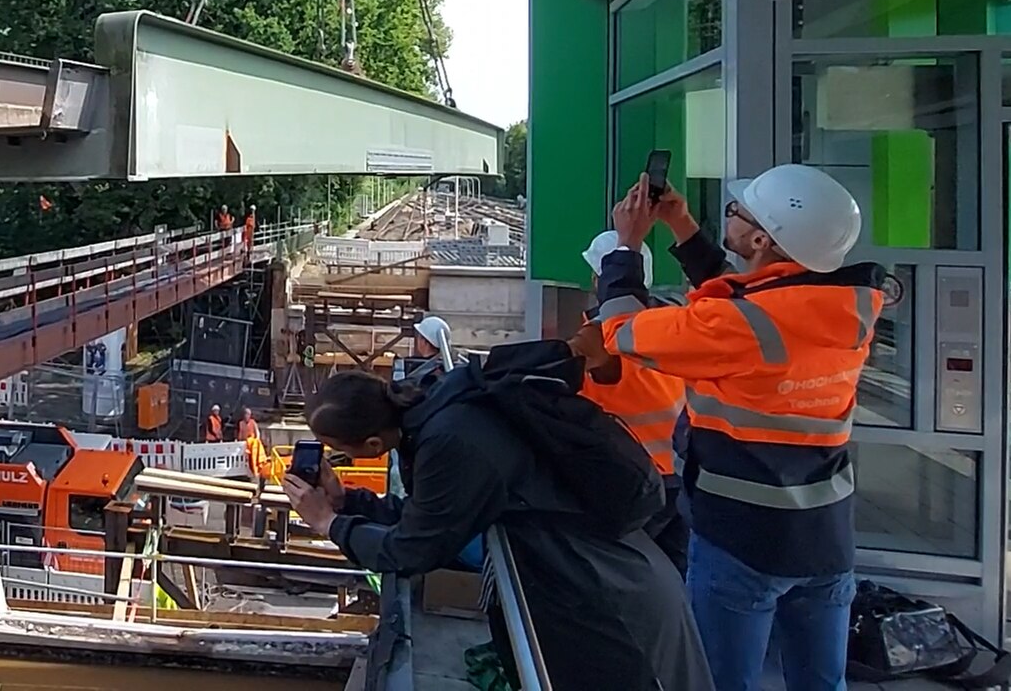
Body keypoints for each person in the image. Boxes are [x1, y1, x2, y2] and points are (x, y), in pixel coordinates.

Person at [578, 164, 881, 691]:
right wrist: (682, 226)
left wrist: (625, 248)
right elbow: (751, 301)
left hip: (744, 537)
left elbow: (621, 330)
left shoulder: (742, 327)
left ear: (763, 238)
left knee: (715, 681)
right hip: (825, 533)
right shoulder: (843, 308)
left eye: (738, 213)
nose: (730, 217)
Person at [285, 369, 712, 691]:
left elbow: (414, 550)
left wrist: (330, 524)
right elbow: (438, 516)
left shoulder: (450, 441)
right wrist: (349, 504)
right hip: (594, 575)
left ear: (373, 447)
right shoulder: (441, 411)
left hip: (609, 593)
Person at [576, 229, 690, 577]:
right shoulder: (674, 323)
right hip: (679, 474)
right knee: (677, 575)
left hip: (634, 478)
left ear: (600, 277)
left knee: (625, 575)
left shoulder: (601, 338)